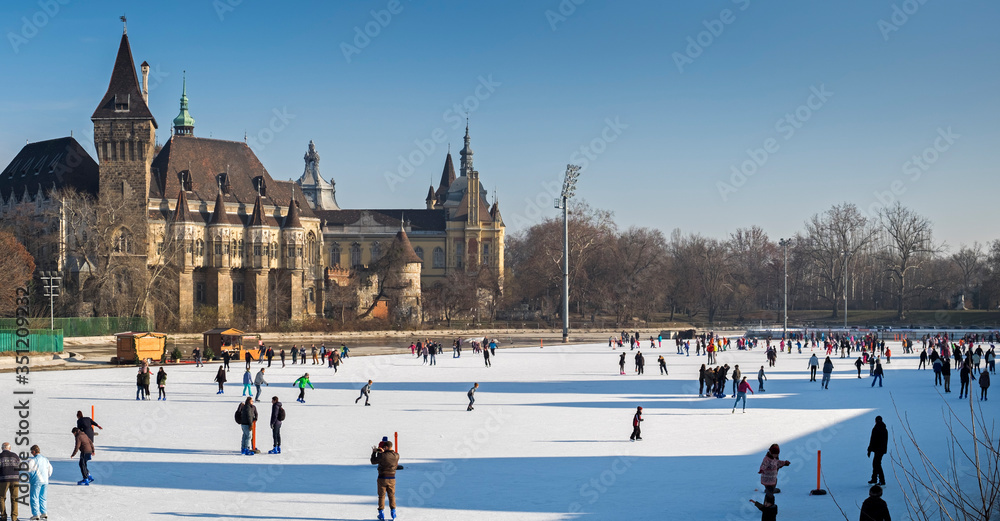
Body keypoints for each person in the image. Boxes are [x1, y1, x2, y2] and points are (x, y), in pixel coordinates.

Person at [371, 440, 400, 520]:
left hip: (382, 478)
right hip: (392, 478)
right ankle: (393, 512)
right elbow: (389, 457)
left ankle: (381, 513)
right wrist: (383, 452)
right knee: (391, 496)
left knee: (381, 496)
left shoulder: (382, 456)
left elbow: (373, 461)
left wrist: (375, 452)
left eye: (384, 447)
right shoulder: (397, 455)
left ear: (386, 447)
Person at [27, 444, 52, 521]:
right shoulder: (45, 459)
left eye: (31, 452)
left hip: (36, 481)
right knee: (43, 497)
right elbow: (50, 469)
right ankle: (44, 513)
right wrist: (47, 477)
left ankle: (36, 514)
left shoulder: (33, 460)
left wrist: (30, 476)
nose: (31, 454)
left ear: (34, 451)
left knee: (34, 497)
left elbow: (29, 469)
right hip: (45, 481)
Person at [0, 442, 20, 518]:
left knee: (1, 497)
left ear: (2, 448)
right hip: (15, 479)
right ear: (10, 448)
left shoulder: (0, 456)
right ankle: (14, 518)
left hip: (3, 479)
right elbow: (19, 466)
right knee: (15, 498)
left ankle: (3, 516)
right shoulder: (15, 456)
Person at [867, 416, 888, 486]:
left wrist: (869, 450)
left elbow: (872, 440)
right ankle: (874, 479)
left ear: (875, 421)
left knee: (877, 464)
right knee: (876, 463)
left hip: (878, 450)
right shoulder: (884, 429)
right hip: (881, 450)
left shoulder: (876, 428)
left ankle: (881, 480)